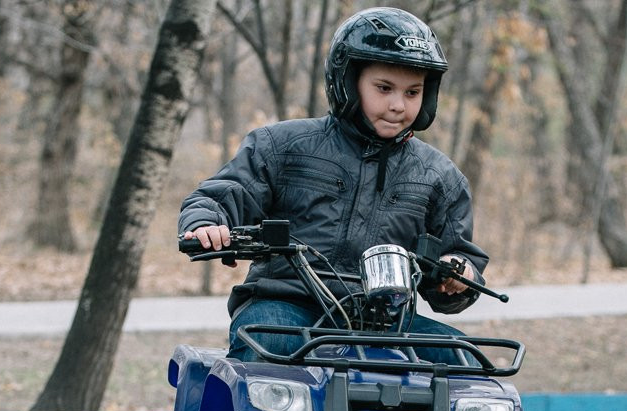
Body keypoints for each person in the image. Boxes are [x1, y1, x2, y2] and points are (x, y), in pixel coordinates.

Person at [179, 6, 488, 363]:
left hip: (387, 318)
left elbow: (458, 257)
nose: (397, 105)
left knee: (462, 359)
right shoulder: (282, 146)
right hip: (287, 304)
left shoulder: (439, 176)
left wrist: (458, 273)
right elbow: (221, 196)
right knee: (268, 342)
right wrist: (207, 225)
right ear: (348, 81)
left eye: (412, 92)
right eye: (384, 88)